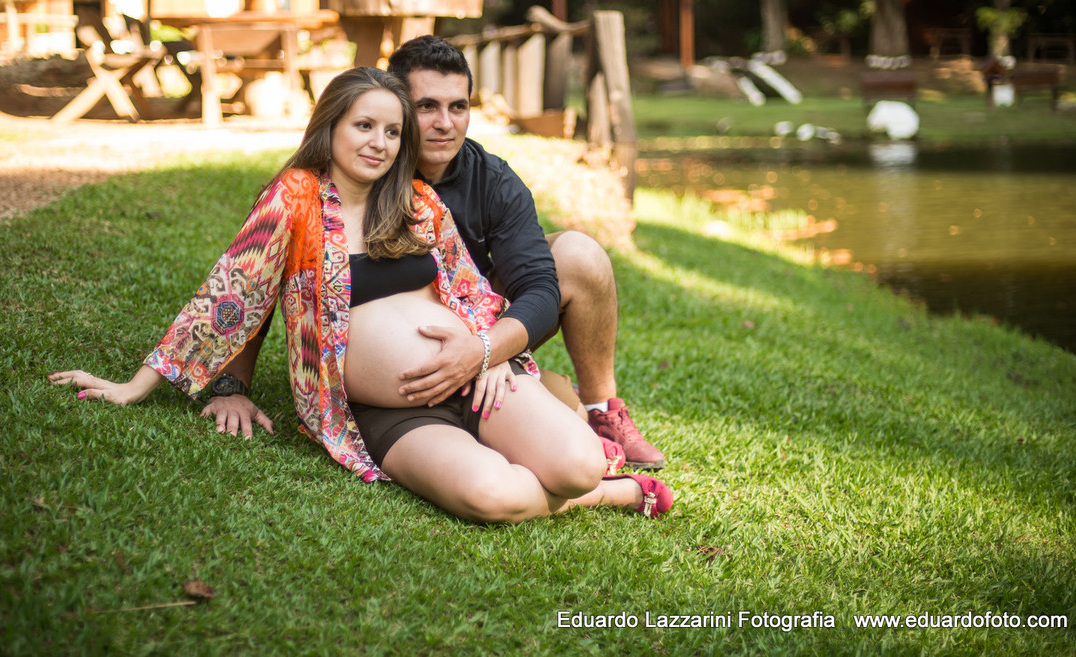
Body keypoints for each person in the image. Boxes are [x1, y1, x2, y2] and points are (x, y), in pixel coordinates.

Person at [50, 67, 671, 522]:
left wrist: (489, 352)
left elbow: (472, 289)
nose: (379, 142)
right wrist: (143, 385)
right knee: (498, 496)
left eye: (393, 131)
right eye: (364, 125)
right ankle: (611, 493)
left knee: (579, 461)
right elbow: (232, 295)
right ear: (332, 127)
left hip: (476, 382)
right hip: (388, 413)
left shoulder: (418, 204)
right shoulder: (293, 200)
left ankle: (586, 477)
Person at [212, 36, 666, 469]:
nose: (444, 123)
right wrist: (233, 384)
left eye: (458, 107)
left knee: (579, 255)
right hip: (372, 358)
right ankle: (531, 400)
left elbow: (541, 292)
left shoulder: (492, 180)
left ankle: (600, 407)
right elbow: (261, 278)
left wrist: (486, 349)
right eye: (426, 106)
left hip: (474, 319)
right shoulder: (353, 170)